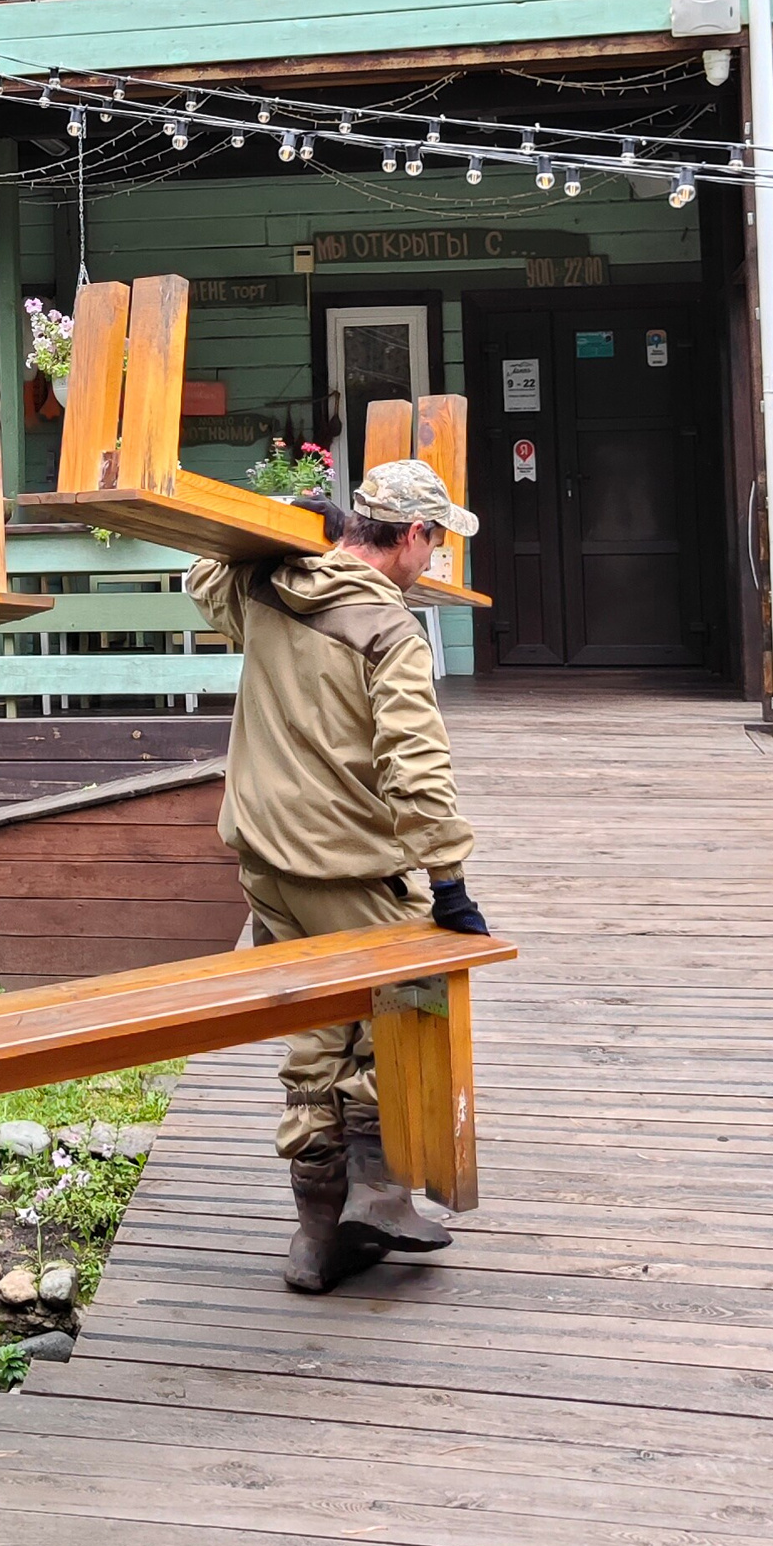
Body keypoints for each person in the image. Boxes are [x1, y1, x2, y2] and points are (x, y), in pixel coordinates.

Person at [185, 458, 492, 1295]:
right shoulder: (388, 629)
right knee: (401, 1014)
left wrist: (276, 526)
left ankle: (318, 1238)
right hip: (346, 861)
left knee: (317, 1034)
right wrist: (449, 879)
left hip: (263, 854)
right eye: (435, 546)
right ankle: (379, 1192)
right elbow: (416, 763)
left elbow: (202, 582)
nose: (432, 565)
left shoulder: (273, 588)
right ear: (415, 535)